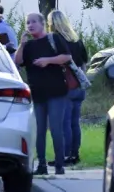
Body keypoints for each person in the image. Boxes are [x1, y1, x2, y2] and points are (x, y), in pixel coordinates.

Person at [14, 12, 71, 176]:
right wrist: (22, 44)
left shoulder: (54, 39)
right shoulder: (29, 46)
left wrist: (48, 60)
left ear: (42, 24)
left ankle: (60, 164)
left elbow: (66, 57)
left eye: (33, 22)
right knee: (39, 130)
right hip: (37, 93)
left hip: (56, 91)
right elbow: (17, 62)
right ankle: (41, 165)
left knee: (55, 128)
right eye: (27, 23)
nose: (30, 25)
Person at [47, 9, 89, 165]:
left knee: (63, 122)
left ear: (51, 23)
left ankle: (65, 156)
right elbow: (85, 62)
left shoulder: (55, 39)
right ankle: (74, 155)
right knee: (74, 122)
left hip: (64, 85)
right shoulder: (76, 39)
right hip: (79, 84)